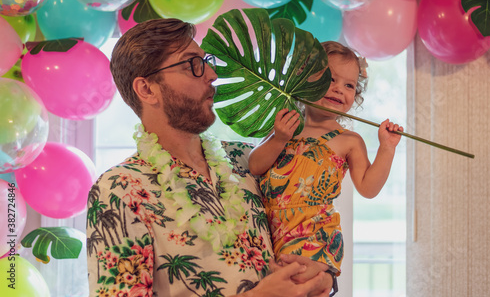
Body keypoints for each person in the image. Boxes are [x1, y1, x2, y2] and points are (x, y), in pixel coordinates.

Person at [86, 18, 335, 297]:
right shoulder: (119, 189)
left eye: (206, 61)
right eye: (192, 64)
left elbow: (300, 227)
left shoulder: (248, 159)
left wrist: (323, 278)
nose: (212, 74)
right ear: (146, 89)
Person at [248, 41, 404, 283]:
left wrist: (386, 148)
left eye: (349, 85)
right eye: (330, 79)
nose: (339, 89)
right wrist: (279, 139)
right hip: (276, 234)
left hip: (317, 236)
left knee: (297, 283)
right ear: (305, 81)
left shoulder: (349, 140)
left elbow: (368, 188)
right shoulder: (286, 126)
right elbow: (255, 165)